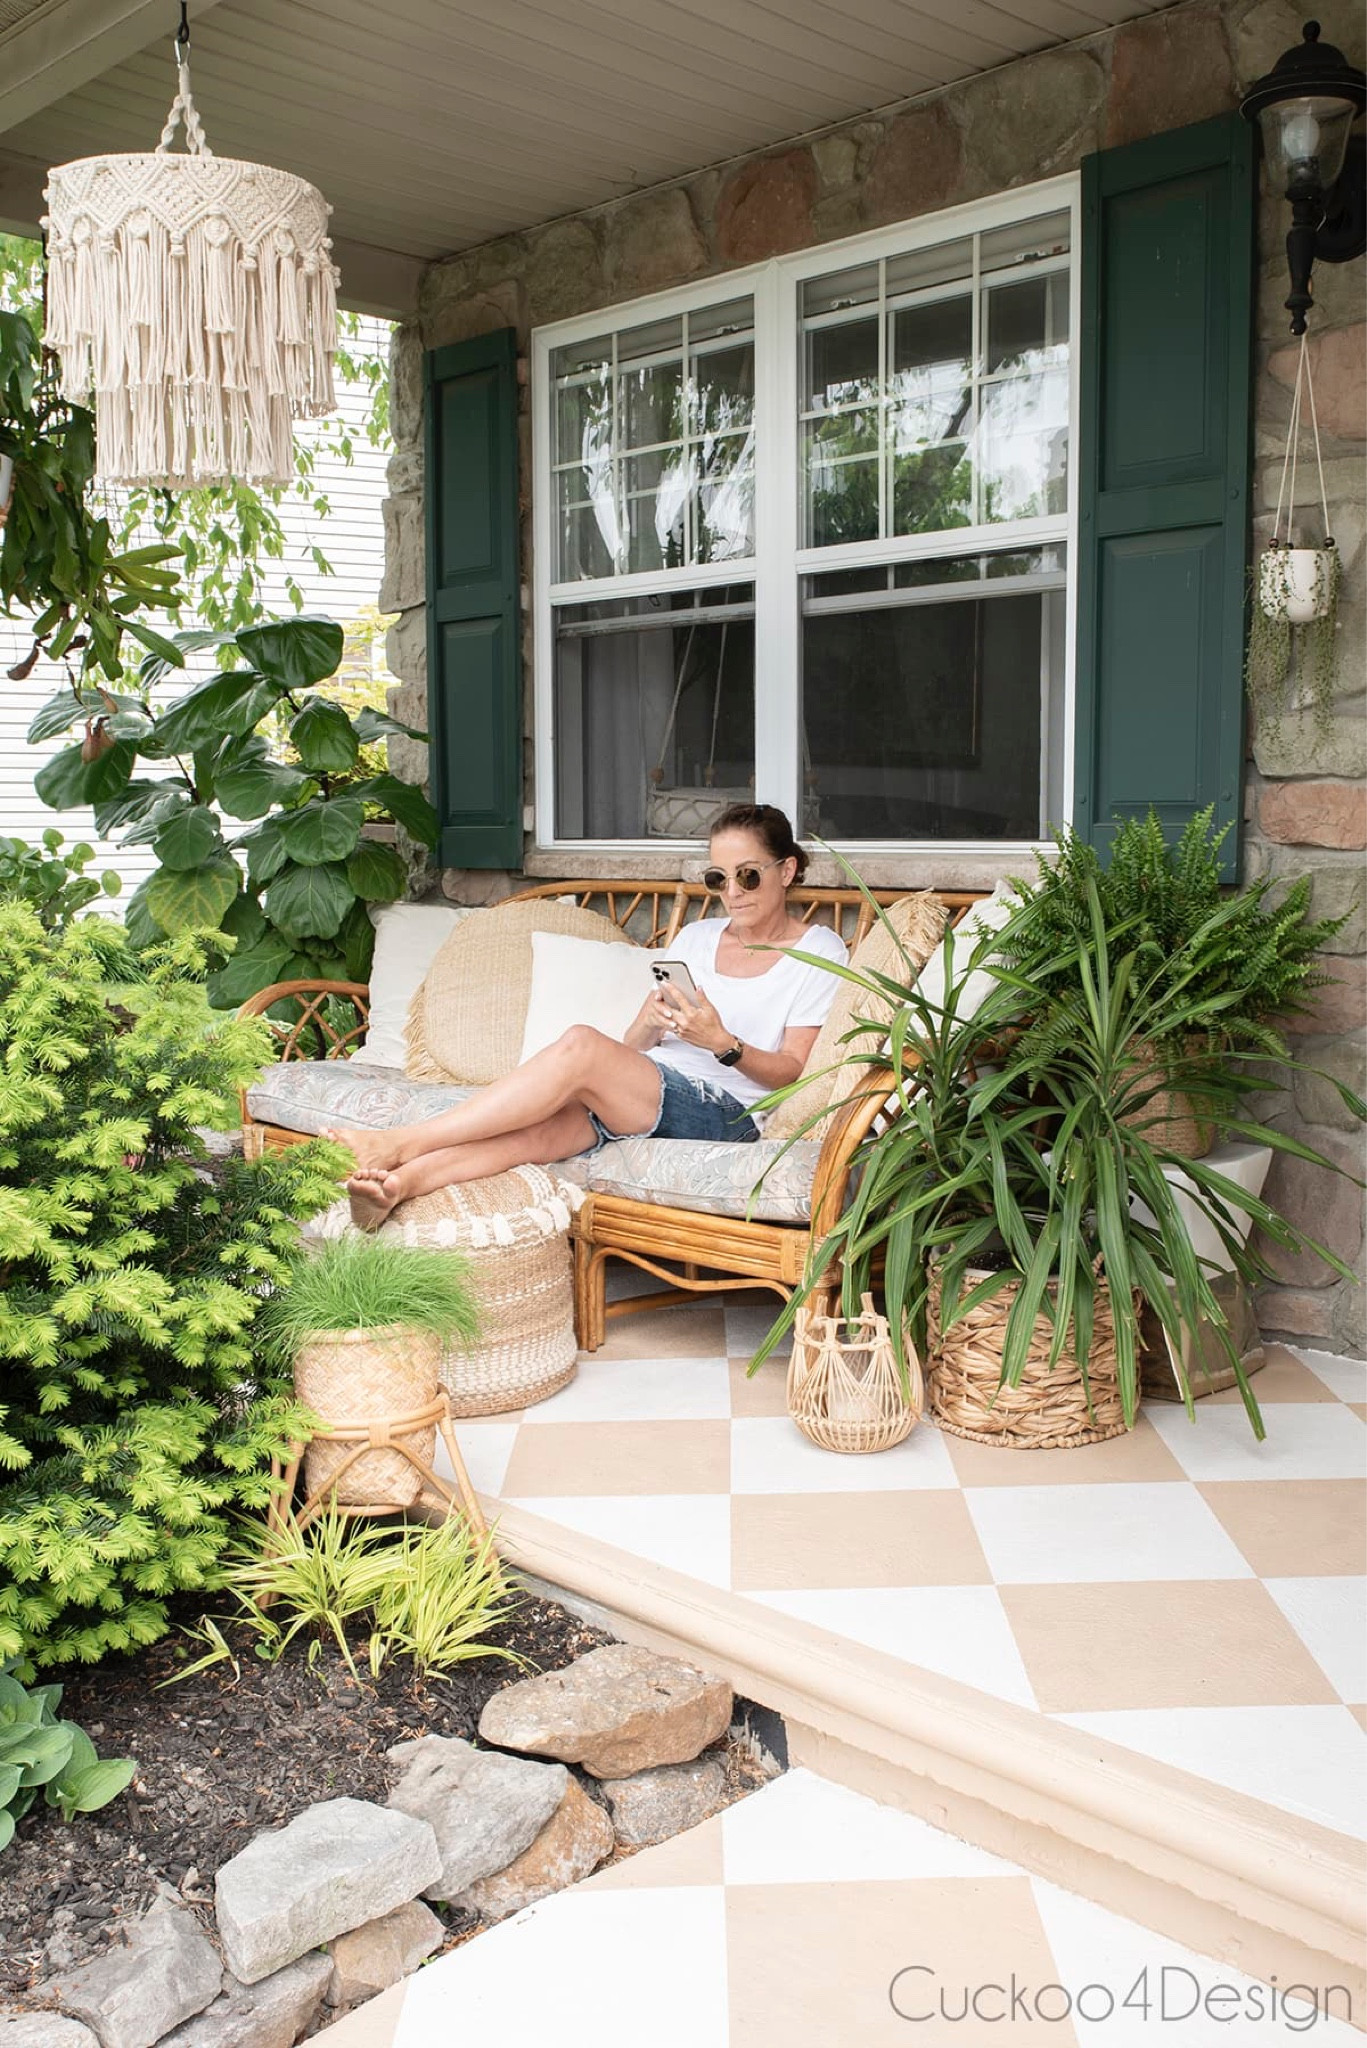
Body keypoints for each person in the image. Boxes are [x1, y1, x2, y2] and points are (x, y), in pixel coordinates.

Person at [328, 804, 848, 1229]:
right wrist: (651, 1020)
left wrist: (722, 1043)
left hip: (730, 1116)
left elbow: (795, 1070)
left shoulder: (818, 950)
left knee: (579, 1045)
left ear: (787, 870)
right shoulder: (697, 938)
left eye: (748, 876)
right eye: (718, 878)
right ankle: (397, 1187)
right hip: (652, 1095)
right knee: (535, 1134)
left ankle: (398, 1144)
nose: (731, 893)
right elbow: (636, 1045)